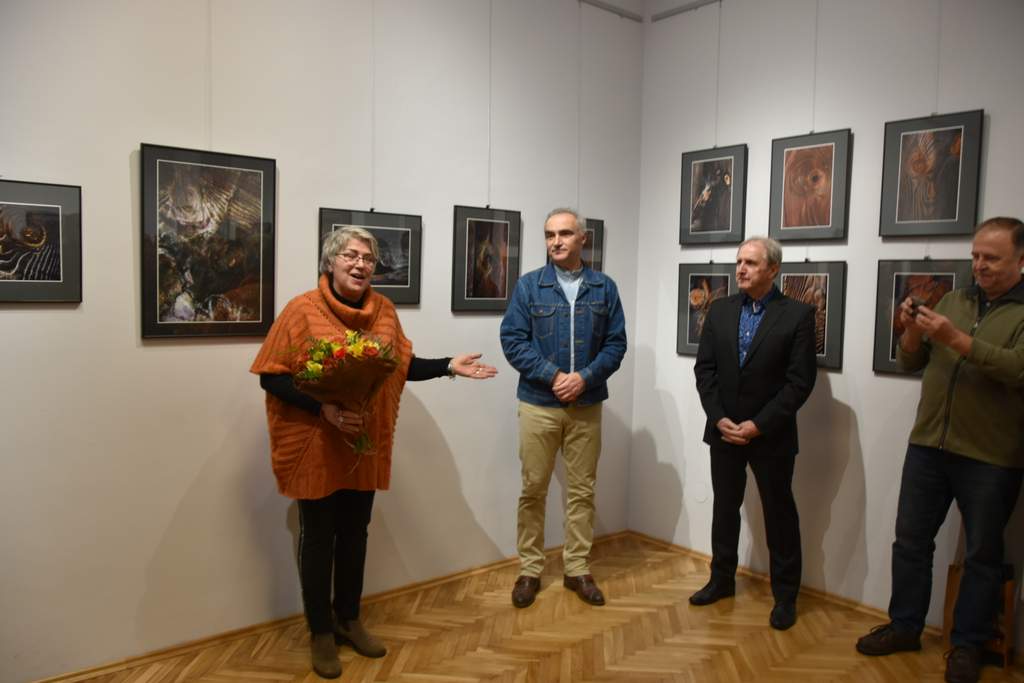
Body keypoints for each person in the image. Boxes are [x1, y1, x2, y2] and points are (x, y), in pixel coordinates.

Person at [250, 227, 497, 679]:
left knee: (355, 533)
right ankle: (320, 631)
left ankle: (349, 619)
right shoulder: (302, 310)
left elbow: (400, 365)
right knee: (318, 538)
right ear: (330, 261)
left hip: (361, 443)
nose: (361, 264)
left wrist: (447, 366)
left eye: (367, 258)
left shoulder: (384, 310)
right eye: (351, 255)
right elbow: (272, 375)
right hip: (315, 443)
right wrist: (323, 409)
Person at [855, 217, 1024, 683]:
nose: (979, 265)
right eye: (975, 256)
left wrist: (956, 339)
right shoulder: (954, 300)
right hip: (929, 444)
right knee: (910, 542)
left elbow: (1017, 370)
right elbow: (911, 359)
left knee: (982, 555)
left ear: (1020, 260)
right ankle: (904, 626)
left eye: (991, 258)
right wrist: (911, 330)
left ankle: (967, 645)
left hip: (992, 454)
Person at [499, 207, 627, 609]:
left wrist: (584, 378)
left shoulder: (604, 288)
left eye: (565, 233)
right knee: (533, 489)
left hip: (586, 405)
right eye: (550, 234)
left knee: (582, 491)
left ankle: (577, 569)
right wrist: (554, 376)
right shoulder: (529, 286)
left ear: (582, 239)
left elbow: (616, 344)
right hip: (538, 404)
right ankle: (530, 570)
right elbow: (512, 340)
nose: (556, 241)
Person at [691, 236, 817, 630]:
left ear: (773, 269)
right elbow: (705, 370)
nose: (741, 269)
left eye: (750, 263)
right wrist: (718, 418)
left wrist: (759, 424)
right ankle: (721, 580)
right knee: (724, 509)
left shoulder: (797, 315)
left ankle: (785, 597)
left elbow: (800, 382)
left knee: (779, 515)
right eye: (739, 262)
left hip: (771, 435)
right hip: (724, 431)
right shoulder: (720, 310)